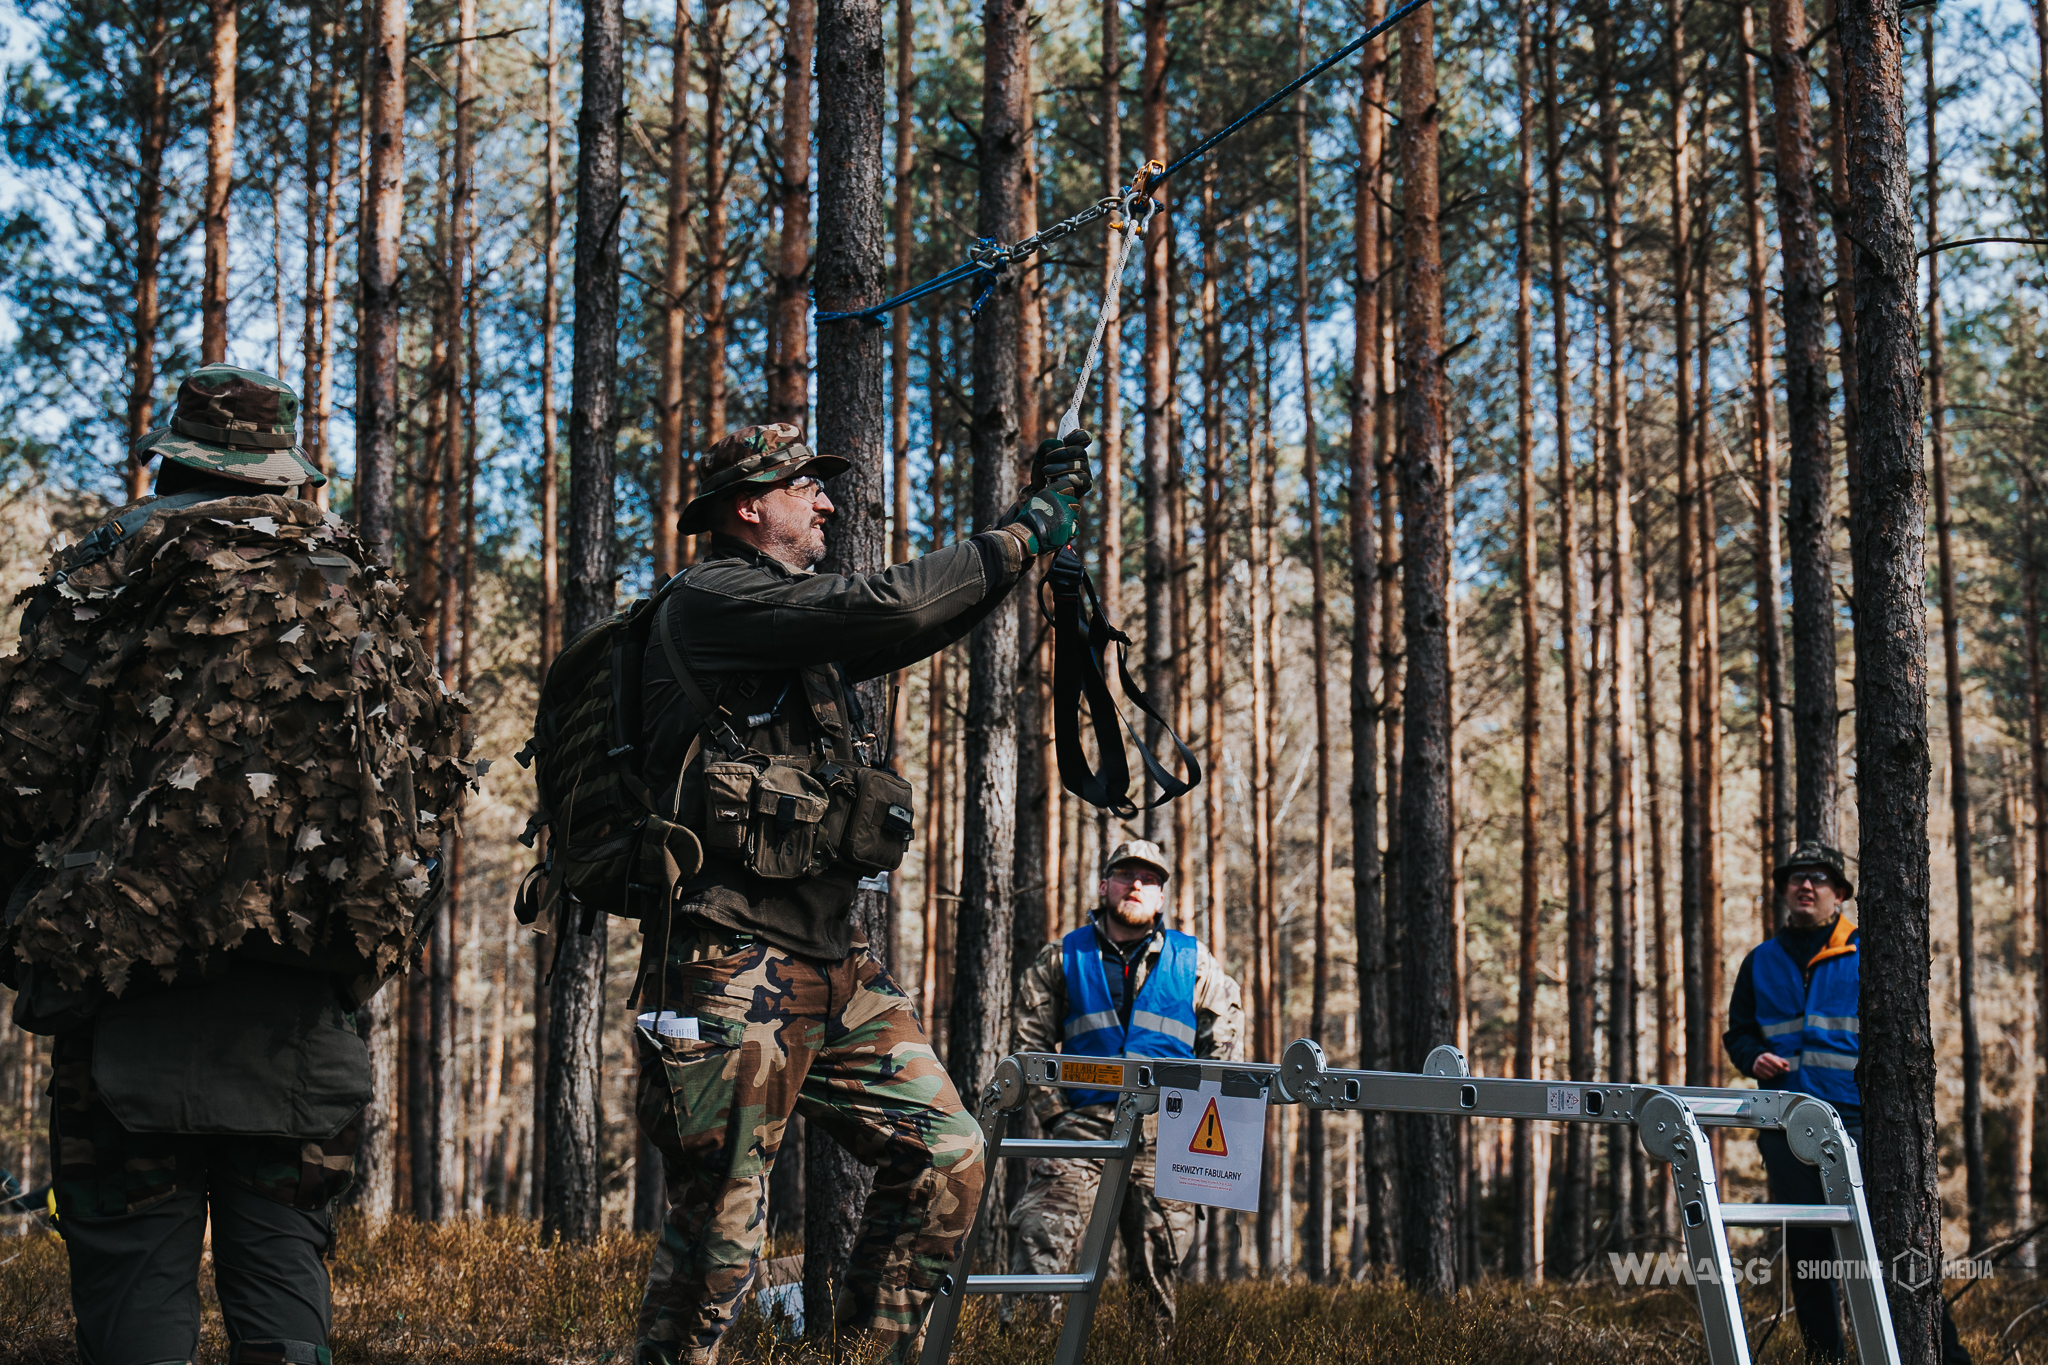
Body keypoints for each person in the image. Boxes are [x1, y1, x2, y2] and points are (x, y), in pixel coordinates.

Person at [1, 366, 468, 1365]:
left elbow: (29, 769)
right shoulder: (357, 576)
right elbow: (430, 774)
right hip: (304, 989)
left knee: (132, 1267)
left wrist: (28, 913)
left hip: (128, 978)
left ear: (172, 456)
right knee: (285, 1270)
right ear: (276, 467)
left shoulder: (113, 560)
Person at [630, 421, 1093, 1365]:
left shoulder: (789, 620)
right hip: (729, 962)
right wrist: (1016, 536)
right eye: (807, 487)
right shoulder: (717, 600)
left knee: (949, 1154)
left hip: (829, 964)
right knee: (719, 1229)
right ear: (747, 506)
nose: (830, 502)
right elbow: (891, 606)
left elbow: (924, 614)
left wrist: (1027, 532)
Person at [1724, 842, 1970, 1365]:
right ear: (1786, 890)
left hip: (1860, 1123)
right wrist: (1755, 1058)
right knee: (1810, 1256)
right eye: (1796, 878)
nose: (1805, 886)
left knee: (1897, 1248)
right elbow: (1739, 1033)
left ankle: (1947, 1358)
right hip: (1785, 1126)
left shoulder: (1868, 953)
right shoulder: (1760, 962)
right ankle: (1826, 1360)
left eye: (1818, 879)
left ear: (1839, 894)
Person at [1006, 840, 1242, 1329]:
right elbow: (1027, 1041)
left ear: (1160, 898)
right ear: (1103, 885)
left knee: (1160, 1263)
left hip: (1168, 1134)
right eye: (1125, 874)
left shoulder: (1195, 962)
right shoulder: (1062, 957)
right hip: (1083, 1130)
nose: (1136, 884)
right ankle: (1025, 1352)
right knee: (1038, 1234)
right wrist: (1055, 1114)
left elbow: (1224, 1050)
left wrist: (1197, 1138)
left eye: (1149, 879)